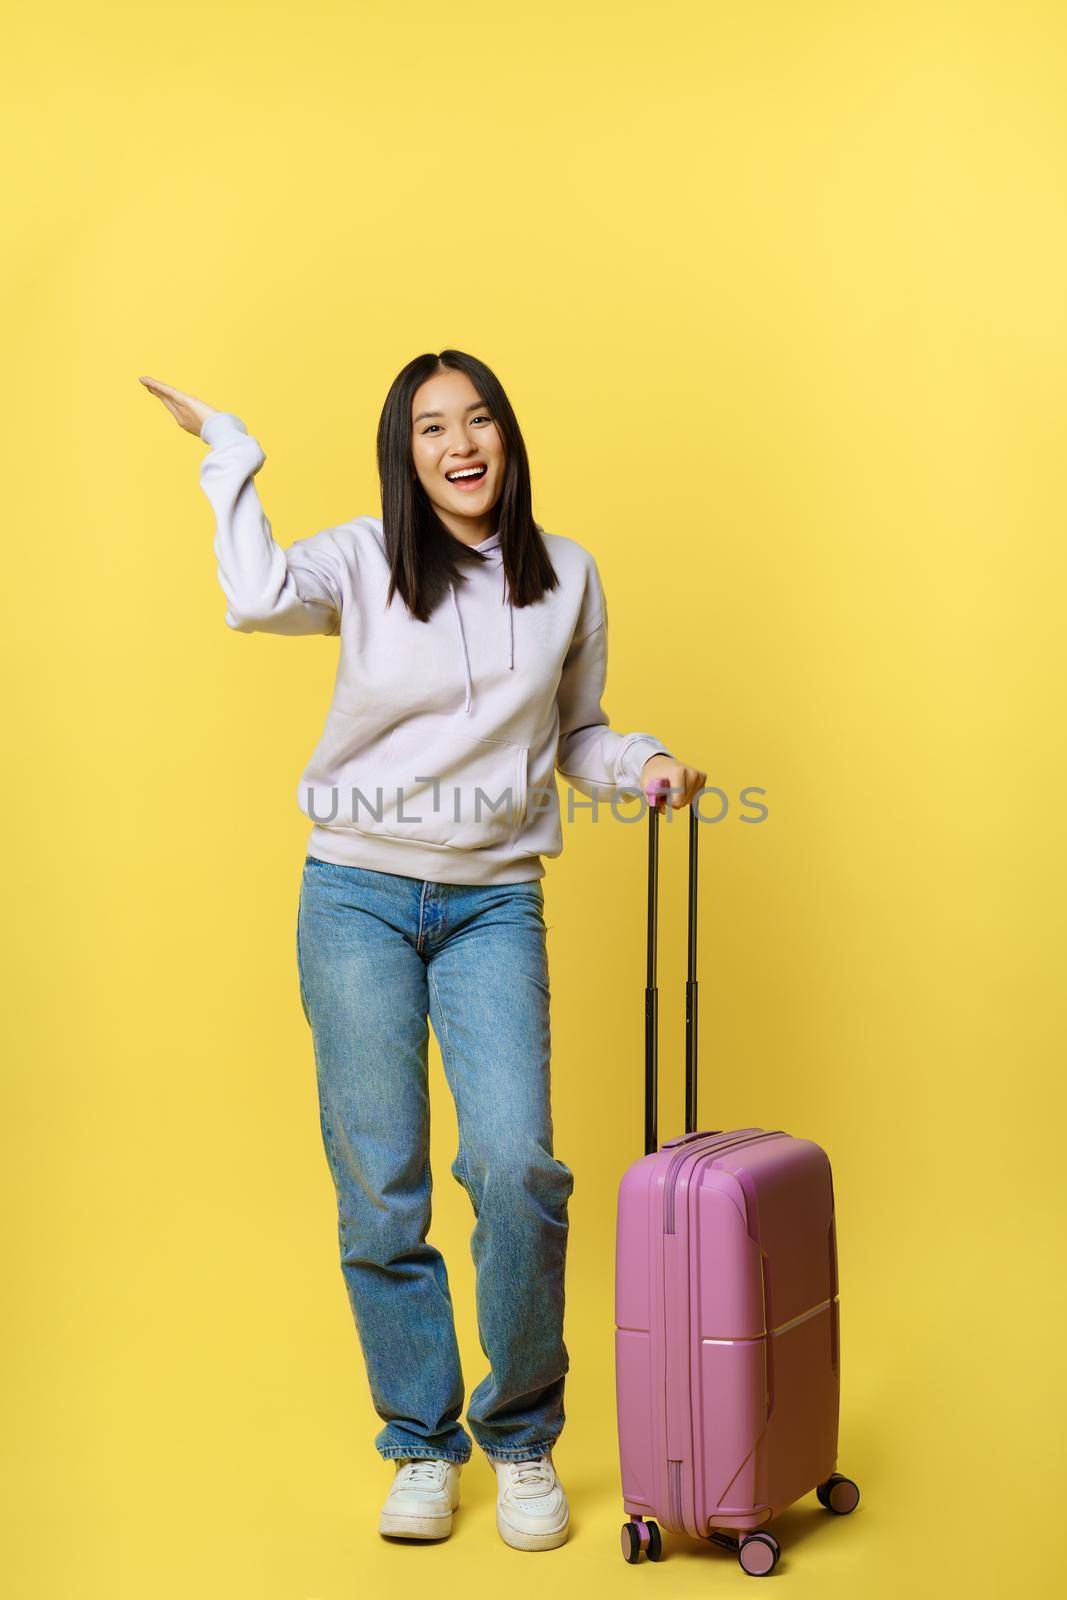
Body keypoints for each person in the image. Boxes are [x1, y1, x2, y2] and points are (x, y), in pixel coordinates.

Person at [140, 352, 706, 1551]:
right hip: (354, 895)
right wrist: (229, 454)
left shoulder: (567, 579)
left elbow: (581, 734)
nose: (460, 444)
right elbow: (250, 594)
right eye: (430, 427)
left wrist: (643, 763)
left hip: (494, 901)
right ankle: (416, 1440)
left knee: (514, 1167)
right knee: (382, 1182)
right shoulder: (361, 559)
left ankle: (520, 1437)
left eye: (478, 419)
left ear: (507, 435)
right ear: (403, 452)